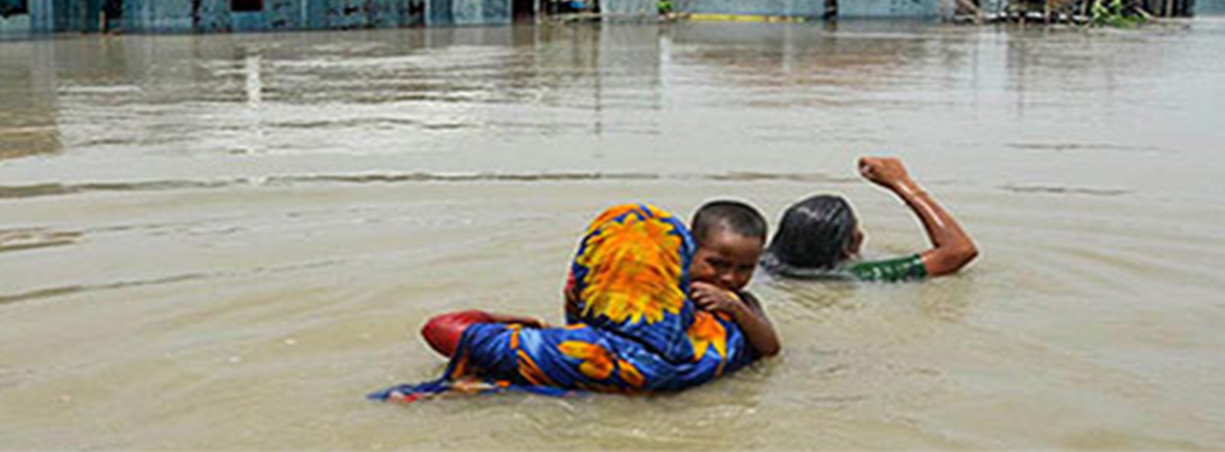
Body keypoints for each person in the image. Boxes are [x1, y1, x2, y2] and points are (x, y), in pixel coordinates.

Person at [375, 202, 771, 401]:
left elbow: (441, 329)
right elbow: (768, 349)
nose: (728, 279)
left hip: (596, 371)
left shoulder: (585, 349)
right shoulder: (718, 336)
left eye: (742, 270)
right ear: (681, 255)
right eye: (717, 265)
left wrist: (515, 322)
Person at [762, 157, 978, 282]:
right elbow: (959, 250)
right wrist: (901, 183)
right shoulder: (856, 275)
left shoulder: (757, 263)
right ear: (848, 248)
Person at [685, 200, 780, 357]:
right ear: (690, 249)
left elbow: (771, 348)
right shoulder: (668, 288)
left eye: (745, 268)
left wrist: (734, 308)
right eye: (718, 264)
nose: (729, 278)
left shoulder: (744, 302)